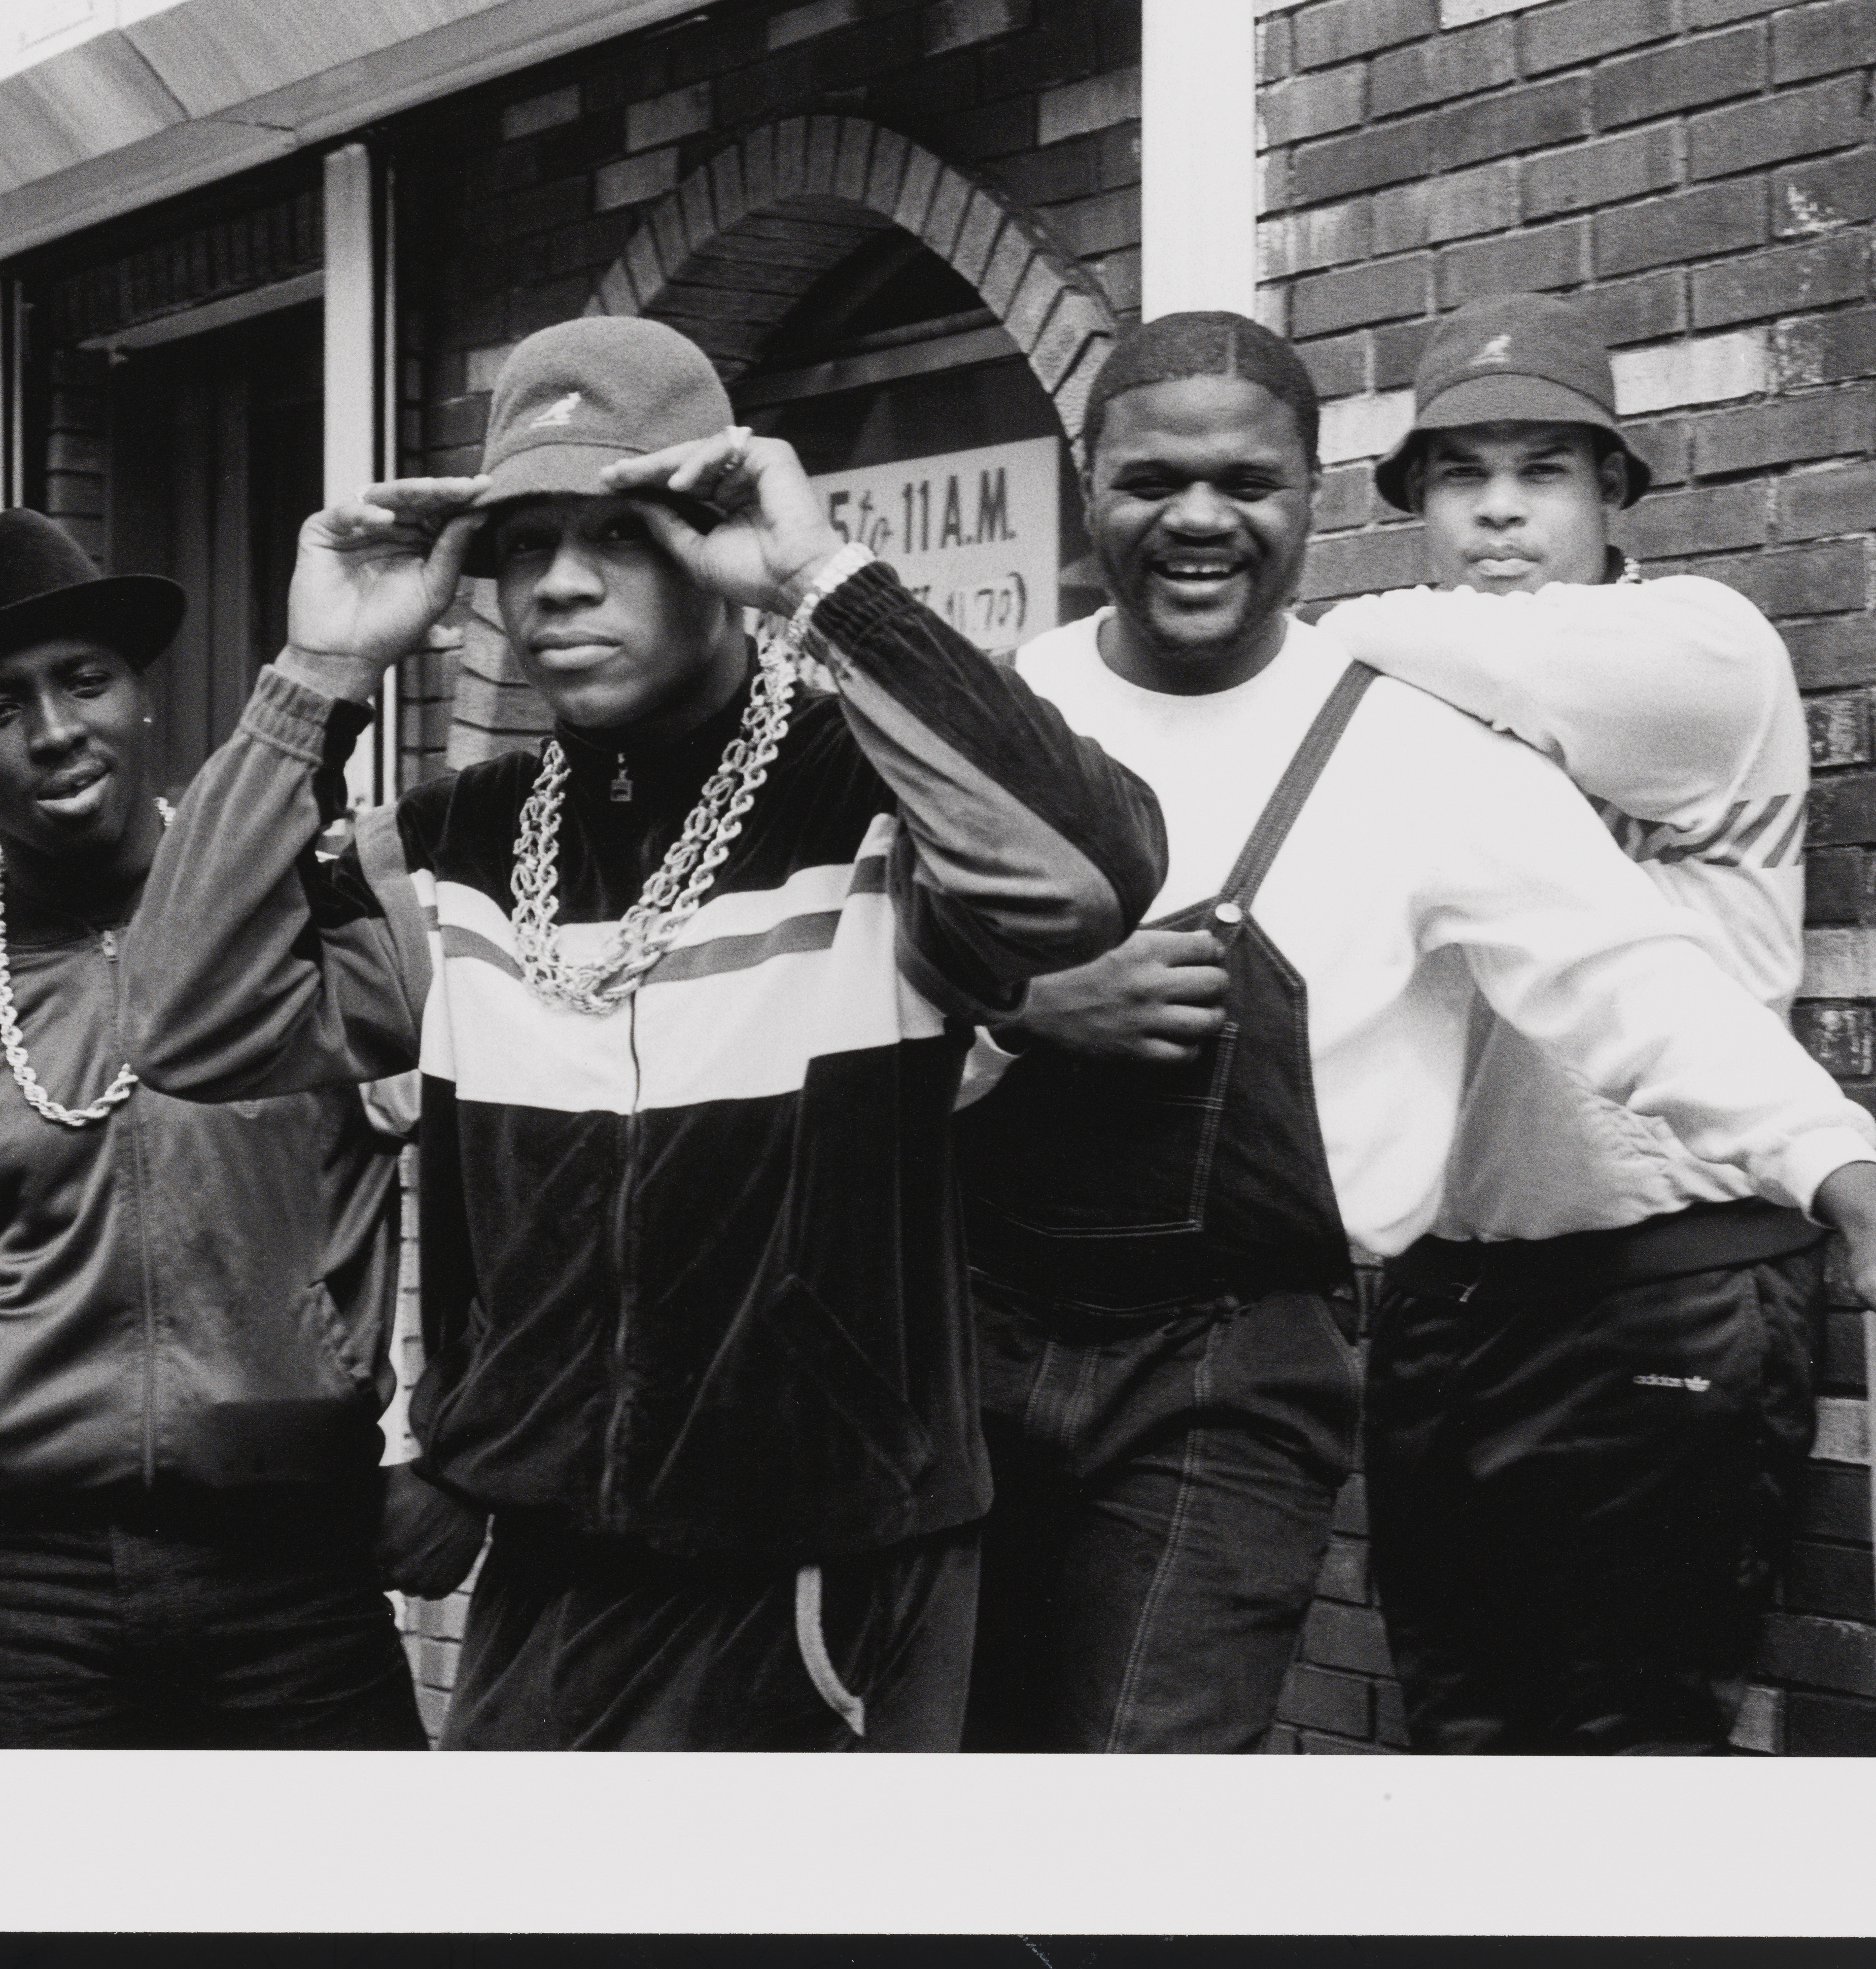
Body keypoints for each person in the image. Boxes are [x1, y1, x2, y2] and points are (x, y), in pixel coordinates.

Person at [950, 309, 1876, 1755]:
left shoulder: (1431, 727)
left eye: (1248, 487)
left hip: (1264, 1355)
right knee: (949, 1765)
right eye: (1150, 482)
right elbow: (855, 1007)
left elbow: (1633, 979)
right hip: (987, 1327)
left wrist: (1847, 1176)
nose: (1197, 518)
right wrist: (1015, 1011)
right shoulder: (1002, 711)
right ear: (1088, 482)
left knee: (1158, 1778)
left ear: (1310, 498)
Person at [122, 316, 1166, 1751]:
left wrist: (823, 585)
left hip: (825, 1574)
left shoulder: (863, 800)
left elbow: (1089, 879)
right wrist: (315, 674)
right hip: (551, 1566)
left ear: (710, 536)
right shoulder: (450, 846)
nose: (560, 581)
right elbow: (183, 1022)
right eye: (522, 541)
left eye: (621, 530)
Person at [1311, 290, 1876, 1754]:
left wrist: (1304, 630)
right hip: (1452, 1297)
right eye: (1458, 476)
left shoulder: (1697, 649)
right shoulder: (1399, 689)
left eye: (1541, 473)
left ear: (1612, 490)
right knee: (1461, 1743)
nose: (1498, 515)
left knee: (1629, 1759)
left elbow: (1329, 644)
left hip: (1666, 1278)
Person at [0, 508, 466, 1751]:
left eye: (83, 679)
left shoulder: (314, 937)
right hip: (17, 1599)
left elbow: (508, 1193)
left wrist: (459, 1450)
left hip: (297, 1575)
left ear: (142, 693)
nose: (54, 730)